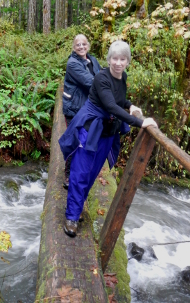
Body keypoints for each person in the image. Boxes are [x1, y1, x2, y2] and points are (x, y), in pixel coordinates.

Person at [59, 40, 158, 237]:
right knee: (80, 173)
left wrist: (130, 105)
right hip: (90, 130)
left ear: (128, 61)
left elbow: (119, 100)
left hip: (107, 132)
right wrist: (141, 122)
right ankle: (71, 217)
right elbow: (111, 106)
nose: (118, 63)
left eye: (123, 59)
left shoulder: (122, 77)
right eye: (115, 58)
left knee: (93, 173)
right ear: (109, 59)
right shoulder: (101, 79)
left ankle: (77, 209)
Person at [62, 34, 101, 189]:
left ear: (88, 45)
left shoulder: (93, 60)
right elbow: (90, 82)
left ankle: (81, 172)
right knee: (74, 140)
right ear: (74, 47)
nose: (81, 47)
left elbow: (100, 76)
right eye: (78, 44)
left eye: (84, 44)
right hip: (74, 108)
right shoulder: (72, 63)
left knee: (87, 141)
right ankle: (68, 175)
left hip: (89, 108)